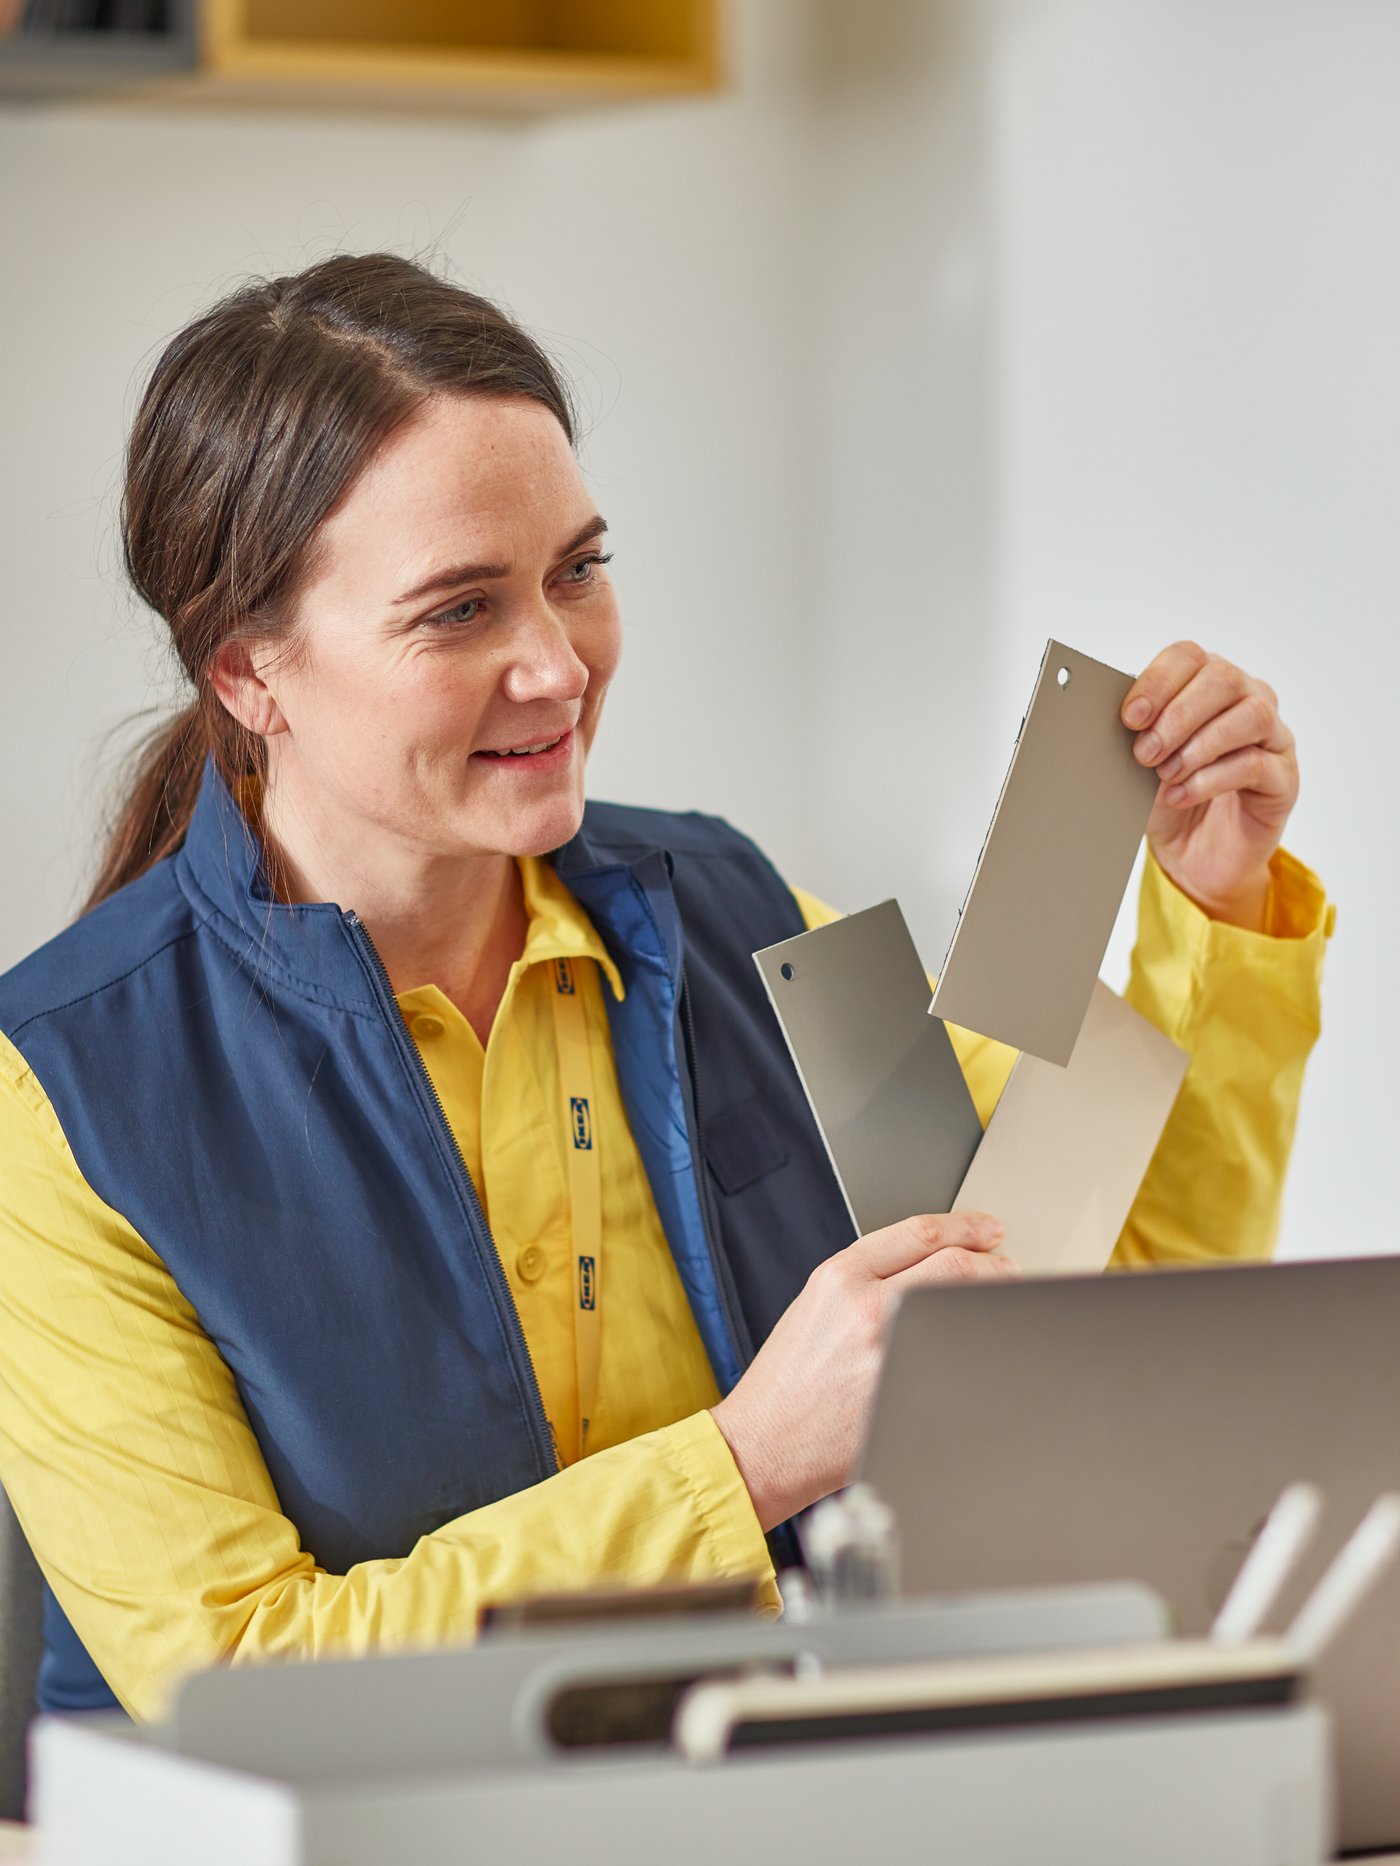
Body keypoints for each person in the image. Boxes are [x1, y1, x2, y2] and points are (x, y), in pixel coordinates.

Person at [0, 255, 1331, 1724]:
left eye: (576, 570)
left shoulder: (750, 921)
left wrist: (1208, 905)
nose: (558, 666)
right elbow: (233, 1676)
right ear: (251, 671)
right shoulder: (61, 1091)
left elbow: (1091, 1323)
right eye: (458, 611)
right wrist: (748, 1461)